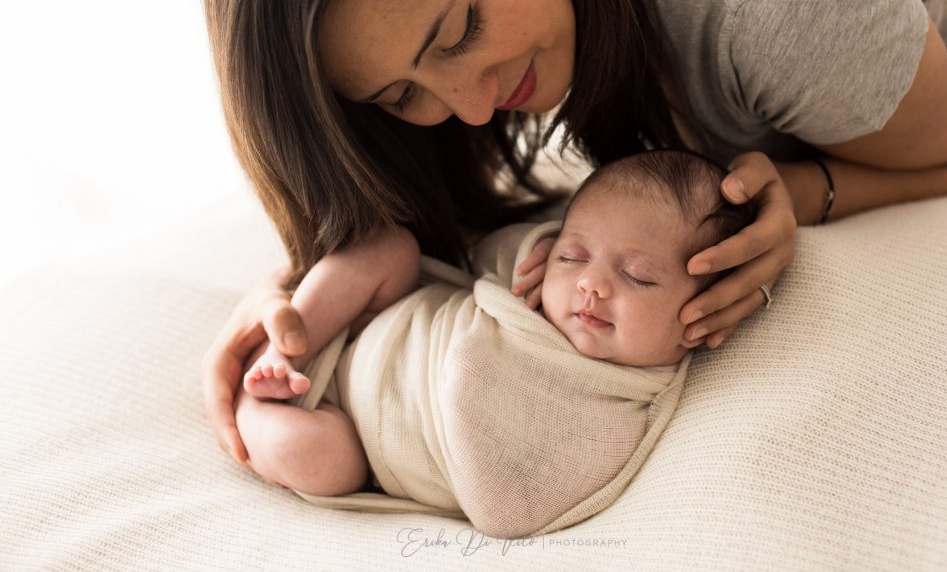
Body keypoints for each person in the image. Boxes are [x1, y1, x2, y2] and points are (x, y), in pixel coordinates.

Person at [194, 0, 947, 468]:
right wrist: (302, 290)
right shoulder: (500, 32)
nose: (474, 110)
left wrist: (798, 194)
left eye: (461, 29)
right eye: (400, 93)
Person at [235, 150, 754, 496]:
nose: (590, 284)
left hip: (359, 433)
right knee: (388, 248)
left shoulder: (619, 413)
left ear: (703, 314)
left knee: (322, 463)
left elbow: (514, 496)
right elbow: (483, 258)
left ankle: (256, 414)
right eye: (574, 255)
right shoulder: (537, 286)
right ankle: (286, 350)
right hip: (382, 319)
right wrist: (539, 252)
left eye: (637, 276)